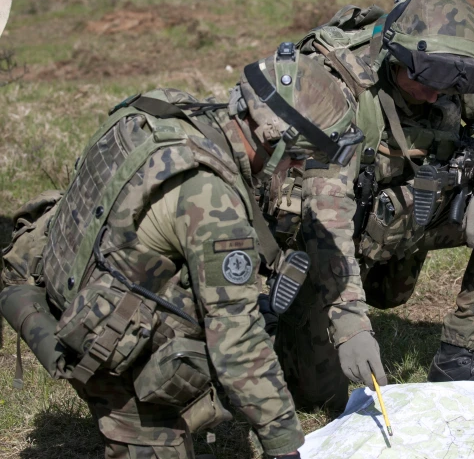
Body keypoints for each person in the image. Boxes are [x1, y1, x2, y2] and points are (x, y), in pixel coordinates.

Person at [0, 44, 362, 459]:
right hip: (103, 349)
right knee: (239, 336)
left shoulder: (161, 110)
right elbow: (237, 342)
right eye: (302, 159)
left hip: (58, 284)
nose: (299, 172)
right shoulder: (210, 201)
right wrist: (284, 446)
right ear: (273, 140)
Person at [273, 0, 474, 412]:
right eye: (425, 82)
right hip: (325, 245)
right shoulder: (339, 88)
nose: (437, 95)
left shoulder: (448, 70)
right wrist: (350, 326)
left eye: (450, 83)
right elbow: (328, 218)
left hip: (401, 224)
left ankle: (460, 354)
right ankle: (279, 320)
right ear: (396, 57)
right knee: (316, 397)